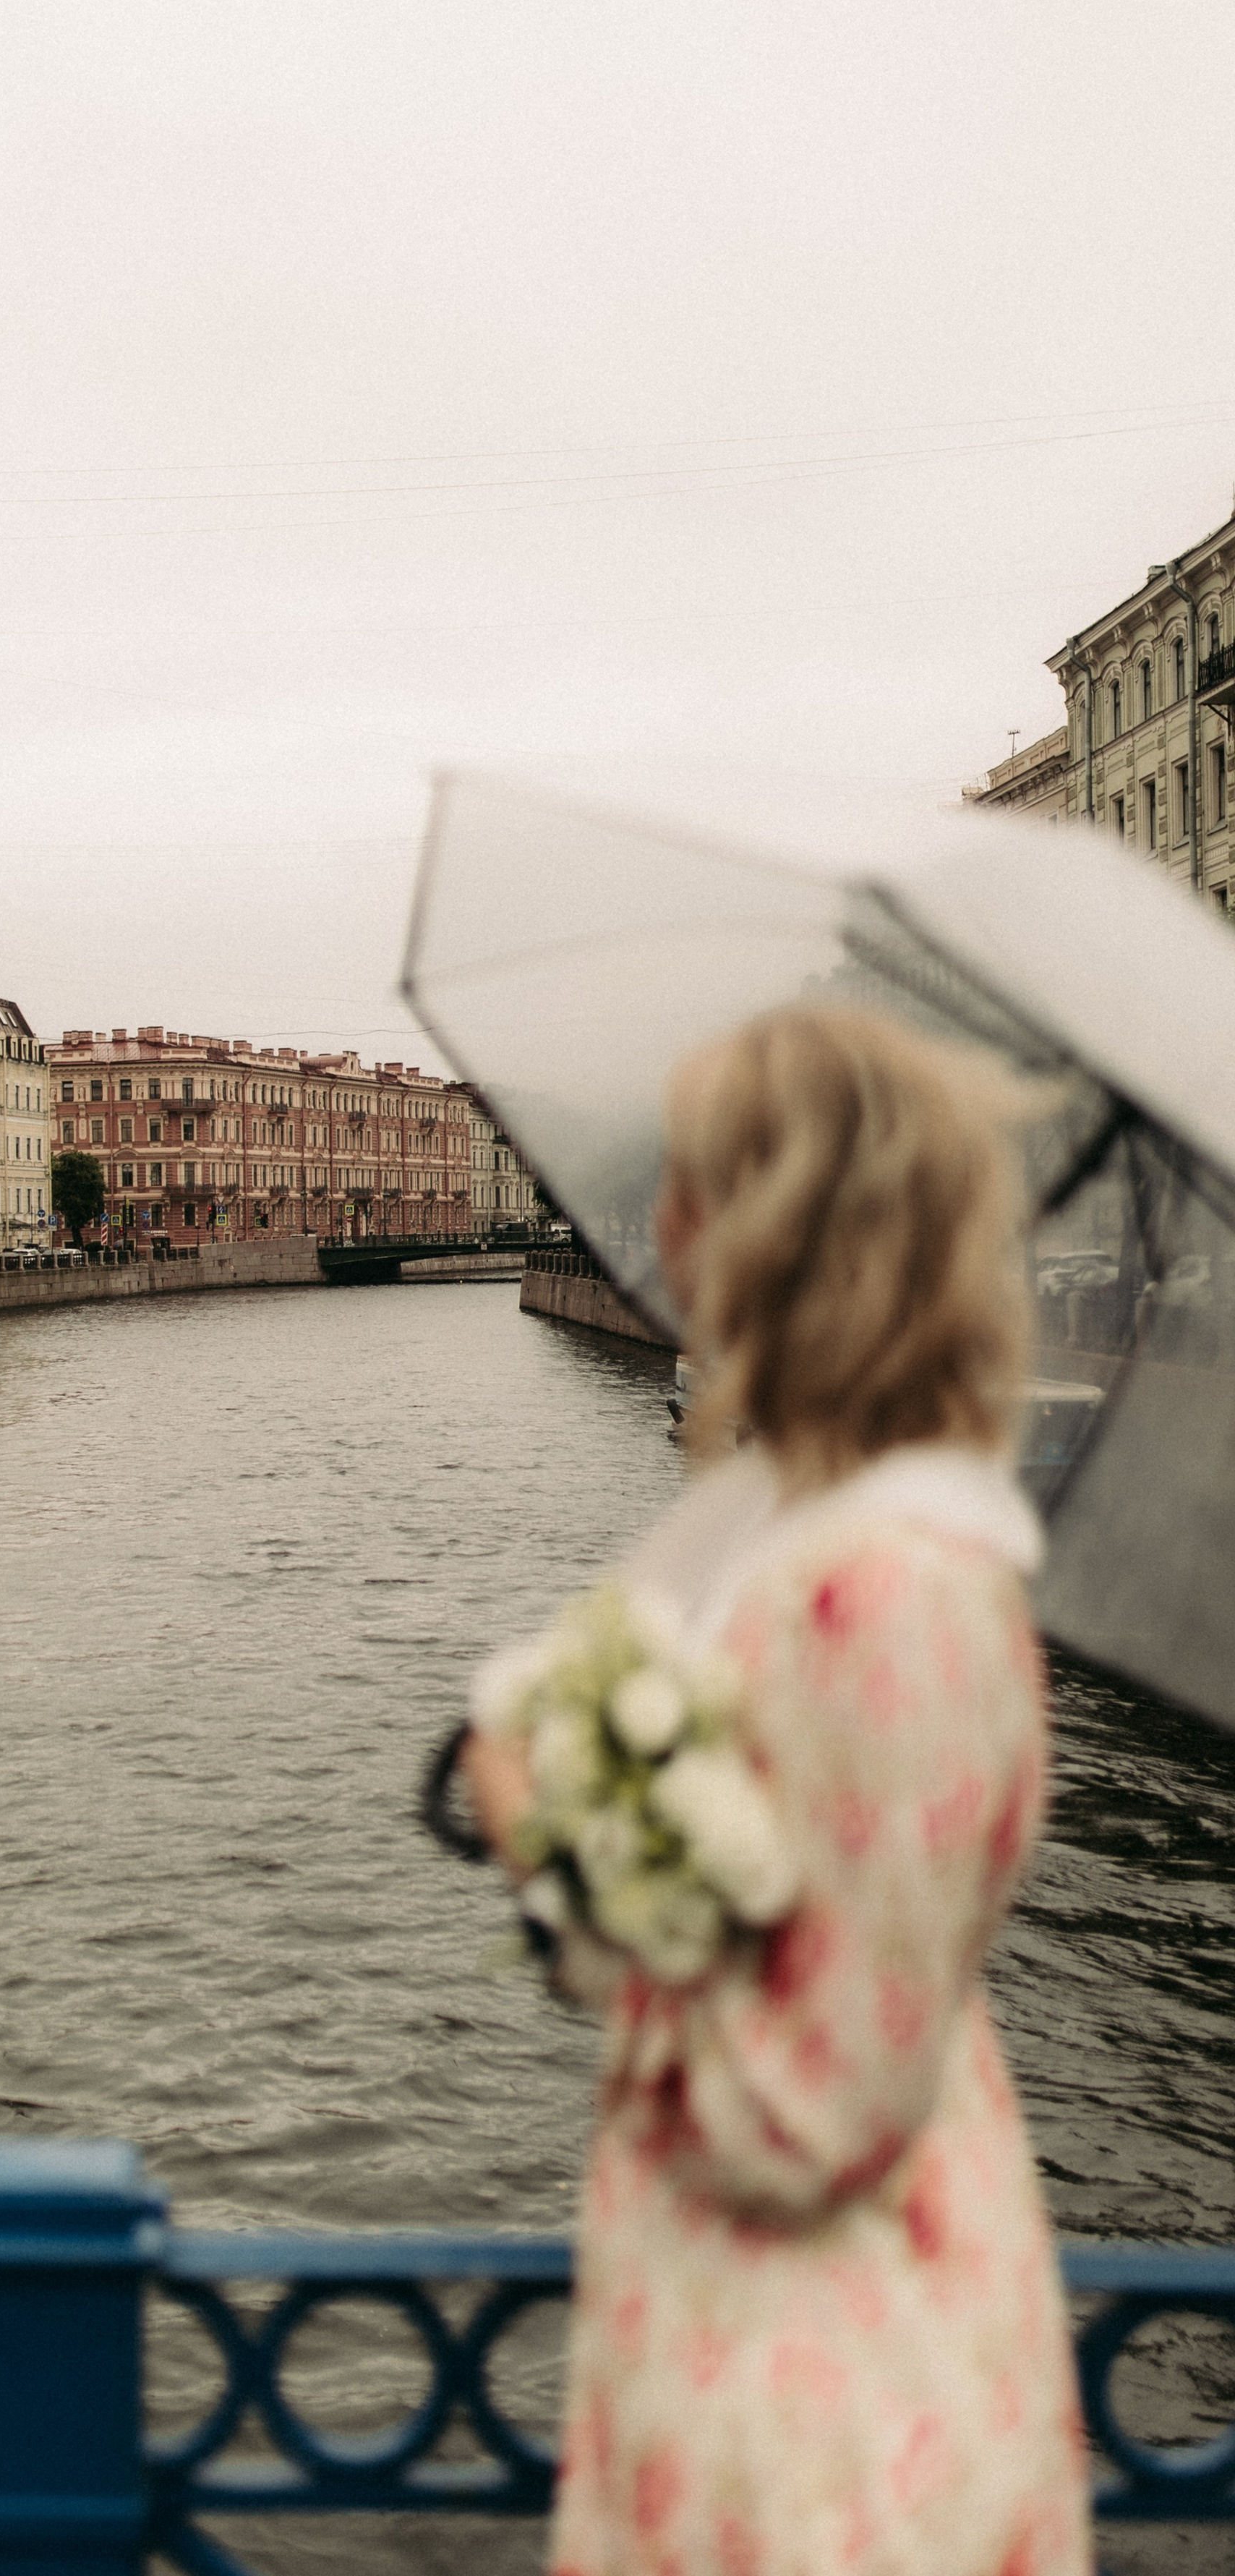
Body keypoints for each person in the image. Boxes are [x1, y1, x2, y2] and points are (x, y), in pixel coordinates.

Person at [464, 1005, 1090, 2576]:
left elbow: (806, 2111)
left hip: (835, 2437)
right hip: (783, 2384)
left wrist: (545, 1832)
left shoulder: (886, 1591)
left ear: (775, 1223)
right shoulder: (831, 1541)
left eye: (689, 1176)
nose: (656, 1214)